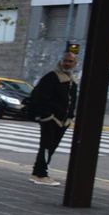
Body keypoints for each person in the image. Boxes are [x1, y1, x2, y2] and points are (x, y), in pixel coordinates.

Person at [26, 49, 79, 184]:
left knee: (52, 147)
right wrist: (48, 115)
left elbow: (72, 100)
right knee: (46, 146)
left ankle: (38, 172)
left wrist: (70, 117)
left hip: (63, 121)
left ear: (75, 63)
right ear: (60, 61)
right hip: (51, 119)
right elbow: (39, 97)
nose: (67, 63)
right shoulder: (52, 77)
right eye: (65, 61)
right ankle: (41, 174)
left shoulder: (72, 80)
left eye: (70, 61)